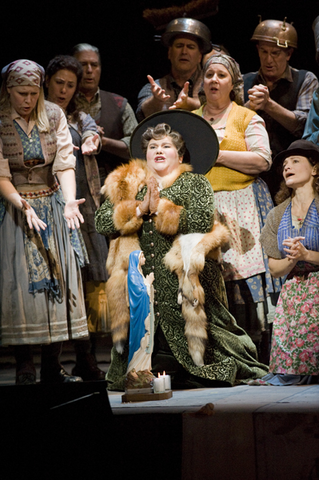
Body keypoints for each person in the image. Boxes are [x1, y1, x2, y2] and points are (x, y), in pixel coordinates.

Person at [95, 111, 268, 391]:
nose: (159, 151)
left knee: (203, 356)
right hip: (140, 280)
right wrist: (139, 208)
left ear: (179, 154)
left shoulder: (194, 182)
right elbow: (102, 222)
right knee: (143, 343)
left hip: (183, 279)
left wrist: (160, 208)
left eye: (166, 146)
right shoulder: (127, 184)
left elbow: (200, 220)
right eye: (153, 147)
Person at [0, 59, 89, 384]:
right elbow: (1, 173)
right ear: (8, 90)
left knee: (58, 284)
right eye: (22, 93)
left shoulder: (52, 114)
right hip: (14, 207)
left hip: (51, 204)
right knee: (22, 288)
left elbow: (65, 163)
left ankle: (53, 365)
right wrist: (21, 204)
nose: (28, 99)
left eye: (33, 93)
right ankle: (25, 366)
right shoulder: (0, 119)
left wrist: (68, 201)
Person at [193, 53, 282, 363]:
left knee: (248, 280)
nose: (214, 80)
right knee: (214, 283)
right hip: (205, 207)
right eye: (209, 75)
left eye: (221, 75)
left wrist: (217, 155)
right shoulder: (191, 119)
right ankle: (223, 355)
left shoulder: (246, 117)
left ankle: (258, 353)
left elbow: (262, 160)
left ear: (233, 83)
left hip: (243, 203)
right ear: (201, 83)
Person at [45, 54, 108, 380]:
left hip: (85, 208)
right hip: (49, 207)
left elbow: (89, 133)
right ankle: (48, 362)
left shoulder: (79, 117)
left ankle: (88, 358)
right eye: (60, 83)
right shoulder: (39, 116)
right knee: (57, 280)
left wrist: (92, 138)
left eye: (71, 85)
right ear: (47, 81)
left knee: (92, 284)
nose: (65, 90)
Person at [259, 139, 319, 385]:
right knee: (291, 374)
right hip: (294, 291)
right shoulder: (276, 214)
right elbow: (274, 269)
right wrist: (293, 259)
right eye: (285, 164)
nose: (287, 167)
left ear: (315, 169)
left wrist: (307, 255)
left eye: (295, 161)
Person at [243, 18, 318, 199]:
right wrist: (248, 107)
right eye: (264, 51)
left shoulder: (305, 80)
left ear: (289, 54)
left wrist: (269, 105)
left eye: (275, 53)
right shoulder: (244, 81)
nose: (269, 59)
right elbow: (231, 122)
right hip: (250, 174)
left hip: (289, 175)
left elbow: (304, 127)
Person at [72, 43, 137, 184]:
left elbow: (136, 144)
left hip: (112, 184)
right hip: (74, 182)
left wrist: (104, 142)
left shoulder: (119, 103)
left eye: (94, 65)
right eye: (83, 64)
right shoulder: (64, 102)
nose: (89, 70)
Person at [136, 17, 213, 121]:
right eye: (179, 46)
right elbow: (143, 115)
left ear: (200, 56)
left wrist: (189, 103)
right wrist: (156, 100)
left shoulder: (212, 83)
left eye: (190, 47)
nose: (184, 52)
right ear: (169, 53)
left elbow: (222, 108)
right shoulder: (155, 87)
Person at [126, 250, 155, 374]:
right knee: (141, 339)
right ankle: (136, 369)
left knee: (148, 341)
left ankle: (144, 368)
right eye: (142, 256)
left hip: (146, 311)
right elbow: (140, 294)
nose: (144, 258)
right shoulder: (133, 274)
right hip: (140, 315)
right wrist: (148, 283)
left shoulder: (139, 273)